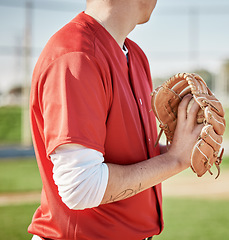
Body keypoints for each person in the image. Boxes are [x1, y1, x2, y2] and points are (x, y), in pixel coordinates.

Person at [28, 0, 203, 239]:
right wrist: (175, 160)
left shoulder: (136, 55)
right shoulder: (76, 56)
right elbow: (81, 188)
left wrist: (184, 147)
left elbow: (129, 153)